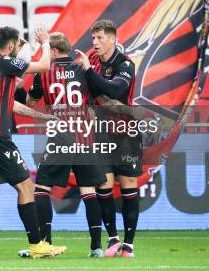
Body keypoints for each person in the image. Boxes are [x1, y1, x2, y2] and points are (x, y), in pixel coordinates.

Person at [0, 26, 66, 260]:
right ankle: (37, 245)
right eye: (17, 45)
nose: (18, 49)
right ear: (9, 46)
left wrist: (41, 116)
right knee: (26, 186)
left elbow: (9, 104)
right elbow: (44, 66)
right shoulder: (5, 63)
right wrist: (45, 43)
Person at [26, 32, 106, 257]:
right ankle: (96, 248)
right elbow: (99, 97)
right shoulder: (83, 70)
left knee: (41, 188)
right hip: (84, 136)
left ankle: (45, 243)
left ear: (52, 51)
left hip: (59, 136)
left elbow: (31, 102)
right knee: (89, 191)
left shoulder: (44, 73)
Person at [75, 20, 138, 258]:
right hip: (99, 130)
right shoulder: (89, 59)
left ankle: (129, 244)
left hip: (126, 131)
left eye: (100, 38)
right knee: (104, 185)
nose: (95, 43)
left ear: (113, 38)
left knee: (128, 185)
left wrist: (90, 73)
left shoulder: (125, 63)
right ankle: (113, 238)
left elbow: (113, 90)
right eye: (93, 39)